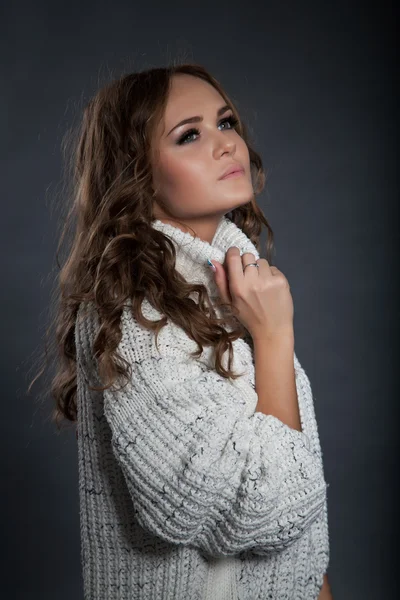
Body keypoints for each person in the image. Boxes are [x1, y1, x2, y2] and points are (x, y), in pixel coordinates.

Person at [44, 62, 333, 598]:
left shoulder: (229, 283)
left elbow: (296, 527)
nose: (225, 144)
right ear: (137, 173)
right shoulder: (135, 312)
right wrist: (274, 338)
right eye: (190, 135)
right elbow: (263, 511)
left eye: (226, 123)